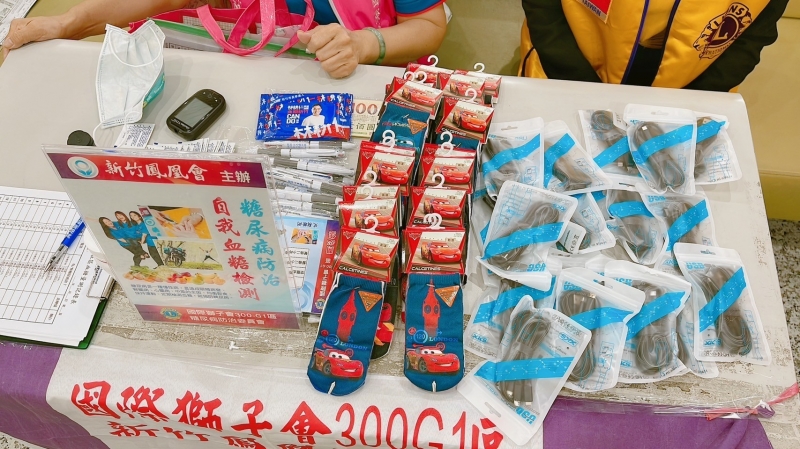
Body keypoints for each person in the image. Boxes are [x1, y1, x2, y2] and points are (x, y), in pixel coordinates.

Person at [2, 0, 448, 79]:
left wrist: (364, 45)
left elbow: (429, 25)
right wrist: (68, 23)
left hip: (361, 78)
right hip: (251, 74)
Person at [519, 0, 790, 91]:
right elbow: (544, 9)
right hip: (572, 58)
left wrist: (694, 101)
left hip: (693, 72)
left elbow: (753, 35)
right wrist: (577, 85)